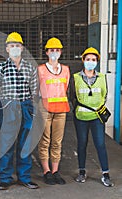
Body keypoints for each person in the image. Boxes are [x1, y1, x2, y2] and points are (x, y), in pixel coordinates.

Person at [0, 32, 39, 190]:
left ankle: (24, 177)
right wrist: (4, 106)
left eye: (17, 45)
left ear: (22, 48)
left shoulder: (30, 68)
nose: (14, 48)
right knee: (7, 145)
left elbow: (34, 89)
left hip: (25, 107)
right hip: (9, 107)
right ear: (6, 49)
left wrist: (30, 107)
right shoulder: (1, 68)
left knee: (25, 144)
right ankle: (5, 178)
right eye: (12, 46)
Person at [71, 47, 114, 187]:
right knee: (82, 144)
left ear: (97, 61)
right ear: (83, 60)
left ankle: (105, 174)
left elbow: (104, 95)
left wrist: (96, 107)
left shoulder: (102, 78)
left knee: (100, 144)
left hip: (96, 117)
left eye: (93, 60)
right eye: (88, 59)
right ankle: (82, 172)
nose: (91, 62)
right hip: (81, 117)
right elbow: (72, 96)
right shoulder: (76, 77)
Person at [37, 37, 70, 185]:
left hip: (61, 109)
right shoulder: (41, 69)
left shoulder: (66, 70)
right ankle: (46, 171)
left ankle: (55, 170)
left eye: (57, 50)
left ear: (61, 52)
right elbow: (36, 90)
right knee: (45, 141)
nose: (54, 53)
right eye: (52, 50)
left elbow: (66, 88)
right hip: (45, 109)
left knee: (57, 142)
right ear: (46, 52)